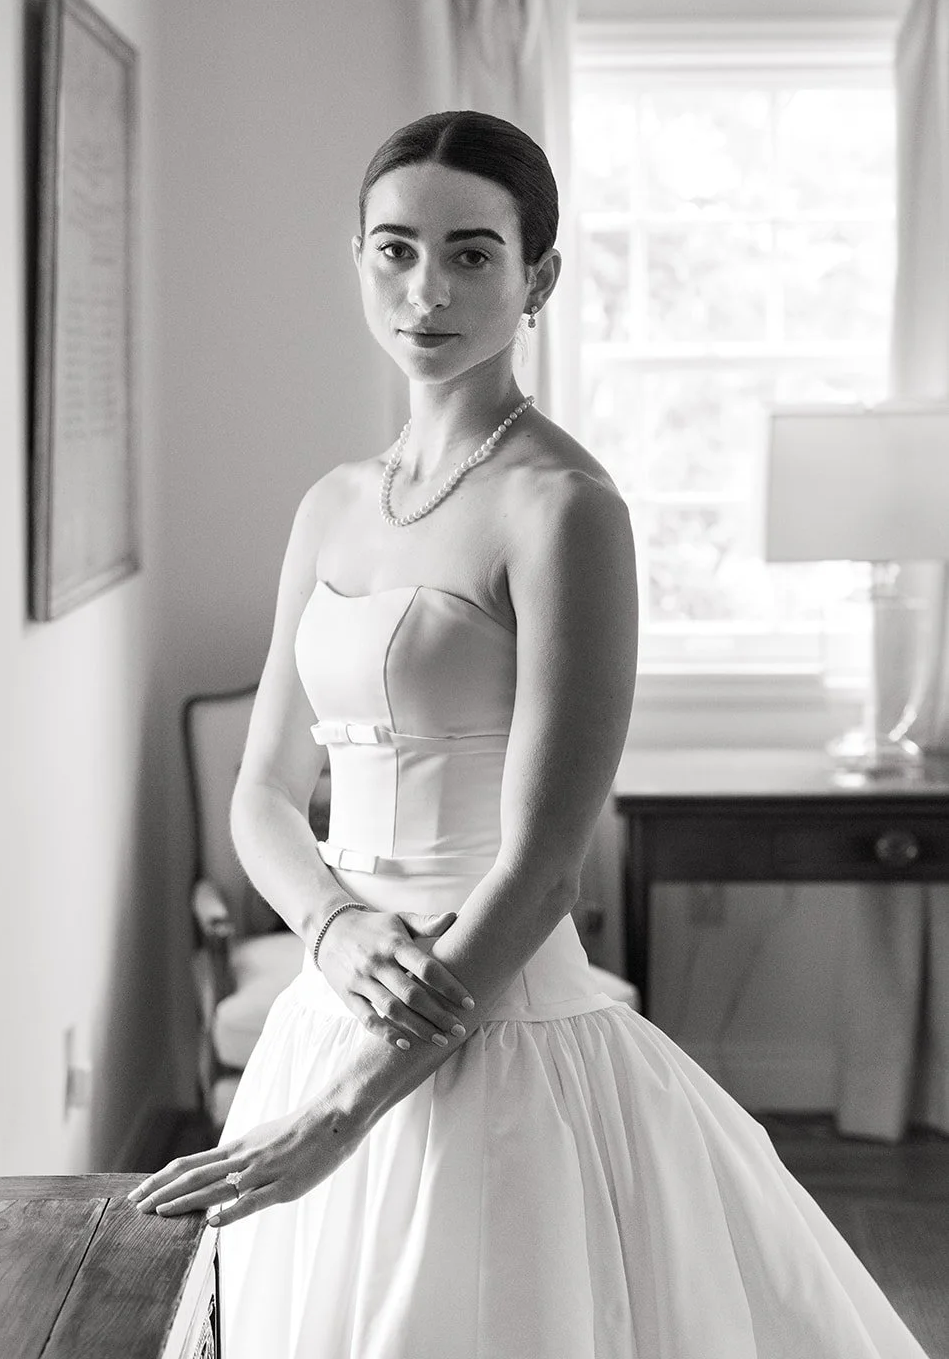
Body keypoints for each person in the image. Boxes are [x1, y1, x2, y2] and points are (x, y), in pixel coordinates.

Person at [128, 111, 931, 1358]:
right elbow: (262, 792)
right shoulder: (331, 505)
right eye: (393, 251)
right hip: (328, 1005)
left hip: (487, 1032)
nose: (424, 289)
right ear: (354, 258)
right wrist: (334, 931)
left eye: (469, 254)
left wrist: (342, 1117)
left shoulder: (566, 510)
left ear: (536, 277)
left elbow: (545, 866)